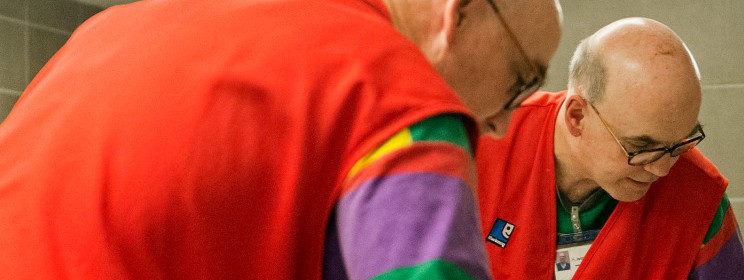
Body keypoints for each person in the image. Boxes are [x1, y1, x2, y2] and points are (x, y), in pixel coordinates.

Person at [0, 0, 561, 279]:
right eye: (523, 80)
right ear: (455, 13)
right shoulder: (395, 94)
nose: (505, 124)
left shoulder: (114, 27)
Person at [475, 18, 744, 279]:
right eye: (641, 147)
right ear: (577, 117)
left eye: (679, 144)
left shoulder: (700, 197)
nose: (662, 169)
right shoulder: (478, 149)